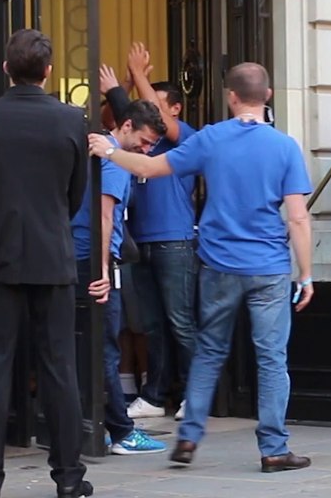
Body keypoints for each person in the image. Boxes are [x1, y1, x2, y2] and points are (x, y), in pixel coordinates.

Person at [88, 62, 316, 473]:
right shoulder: (284, 147)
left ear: (231, 96)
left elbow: (152, 168)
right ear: (267, 96)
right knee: (271, 359)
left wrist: (110, 151)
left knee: (210, 351)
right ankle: (274, 448)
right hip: (268, 267)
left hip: (218, 264)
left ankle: (189, 437)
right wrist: (306, 273)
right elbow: (298, 217)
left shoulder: (211, 139)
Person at [0, 29, 93, 498]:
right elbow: (75, 194)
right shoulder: (71, 120)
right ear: (49, 72)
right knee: (60, 368)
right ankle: (69, 477)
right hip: (52, 255)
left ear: (6, 69)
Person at [100, 46, 201, 423]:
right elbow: (120, 122)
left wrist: (136, 74)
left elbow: (152, 116)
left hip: (174, 239)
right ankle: (156, 394)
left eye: (156, 102)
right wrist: (122, 87)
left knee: (180, 320)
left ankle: (197, 393)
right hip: (140, 241)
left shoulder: (183, 137)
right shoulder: (140, 140)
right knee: (153, 324)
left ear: (174, 108)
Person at [70, 99, 168, 456]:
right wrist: (102, 271)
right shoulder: (112, 165)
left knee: (94, 345)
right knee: (104, 346)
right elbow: (104, 218)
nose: (145, 151)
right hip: (94, 260)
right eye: (142, 142)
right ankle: (120, 430)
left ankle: (101, 427)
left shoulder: (104, 156)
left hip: (81, 256)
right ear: (125, 126)